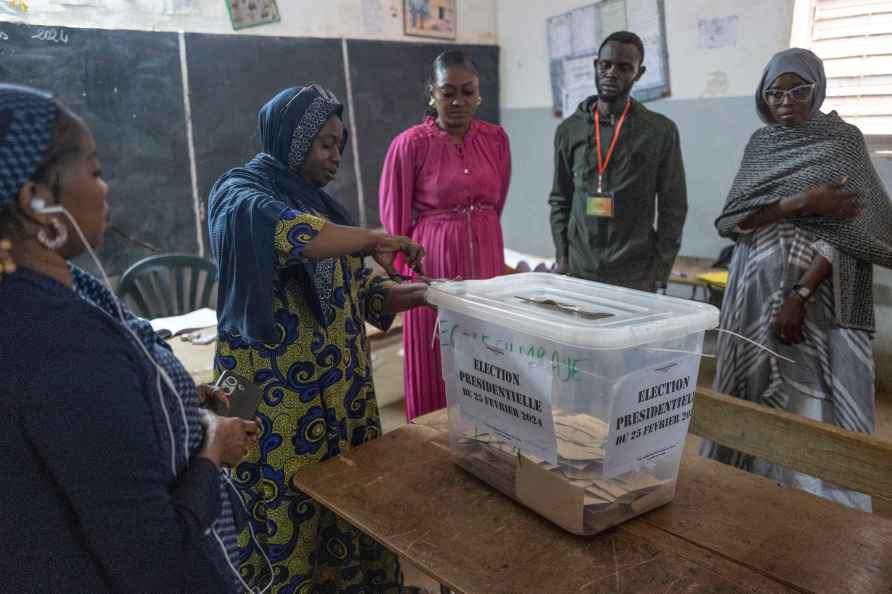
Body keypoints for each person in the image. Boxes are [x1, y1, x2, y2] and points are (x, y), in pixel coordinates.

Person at [0, 84, 260, 592]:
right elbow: (157, 556)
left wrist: (178, 401)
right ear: (36, 202)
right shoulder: (65, 340)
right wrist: (212, 446)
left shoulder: (48, 294)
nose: (105, 188)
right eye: (94, 171)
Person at [208, 84, 429, 592]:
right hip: (268, 393)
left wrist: (424, 295)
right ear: (292, 139)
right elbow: (290, 233)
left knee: (350, 496)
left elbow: (367, 293)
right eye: (325, 144)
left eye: (340, 145)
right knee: (283, 500)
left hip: (338, 391)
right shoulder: (239, 193)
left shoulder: (324, 208)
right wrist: (375, 237)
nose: (336, 157)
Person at [703, 48, 892, 510]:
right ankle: (751, 483)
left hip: (822, 297)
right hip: (754, 286)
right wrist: (803, 201)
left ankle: (815, 492)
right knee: (756, 382)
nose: (785, 100)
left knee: (809, 389)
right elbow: (736, 222)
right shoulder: (761, 144)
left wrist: (801, 293)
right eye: (774, 92)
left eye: (798, 89)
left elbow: (856, 230)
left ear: (817, 89)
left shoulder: (843, 142)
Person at [380, 50, 512, 421]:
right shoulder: (409, 145)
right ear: (431, 93)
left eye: (467, 92)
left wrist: (481, 238)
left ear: (479, 94)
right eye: (447, 92)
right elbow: (395, 226)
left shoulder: (497, 140)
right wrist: (412, 284)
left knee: (487, 359)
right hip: (432, 266)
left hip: (486, 261)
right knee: (434, 356)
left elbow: (496, 204)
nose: (458, 101)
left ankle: (489, 440)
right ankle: (430, 442)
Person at [549, 31, 687, 291]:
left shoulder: (659, 131)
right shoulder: (570, 130)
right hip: (580, 269)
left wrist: (660, 269)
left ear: (639, 73)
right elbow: (560, 199)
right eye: (606, 65)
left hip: (634, 274)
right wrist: (562, 255)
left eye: (624, 68)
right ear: (596, 66)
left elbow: (673, 206)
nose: (612, 73)